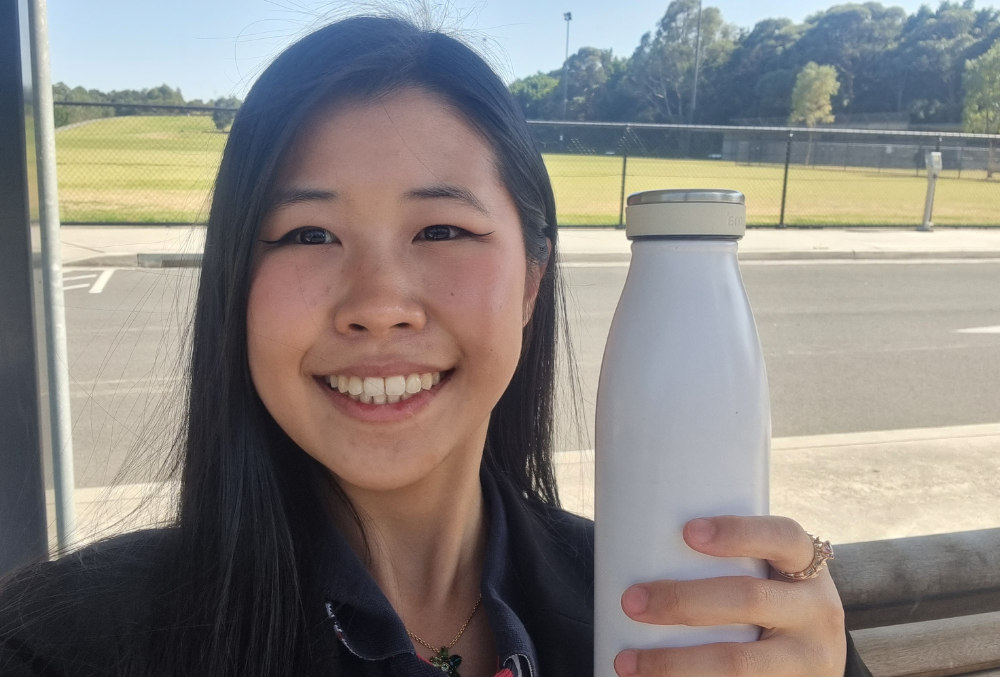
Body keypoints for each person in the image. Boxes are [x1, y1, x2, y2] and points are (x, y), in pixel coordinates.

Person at [0, 15, 874, 677]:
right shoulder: (63, 643)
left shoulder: (680, 620)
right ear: (234, 284)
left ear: (532, 281)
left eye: (443, 229)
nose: (379, 306)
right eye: (307, 234)